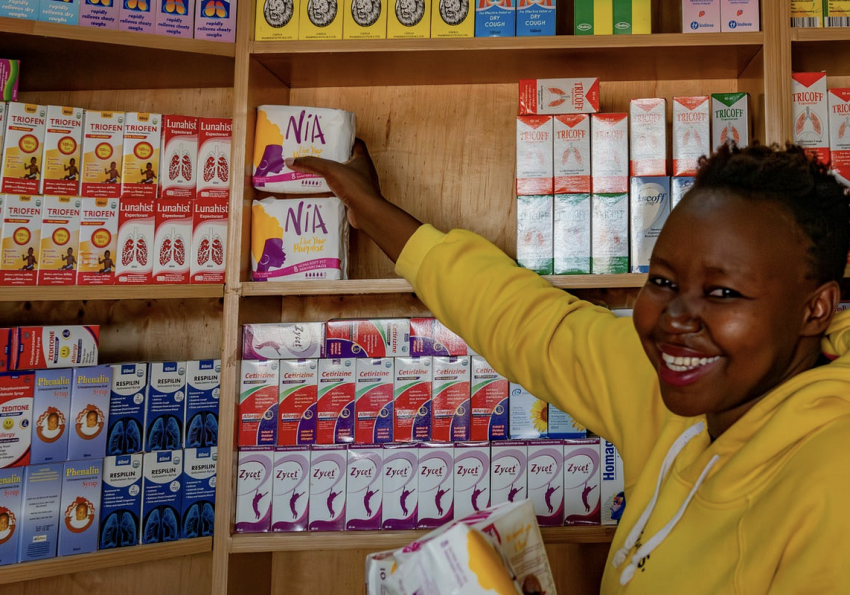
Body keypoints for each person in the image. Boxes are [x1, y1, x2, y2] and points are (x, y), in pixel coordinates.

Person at [288, 140, 850, 593]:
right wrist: (372, 212)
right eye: (663, 281)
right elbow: (529, 322)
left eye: (723, 292)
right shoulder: (683, 388)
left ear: (815, 308)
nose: (676, 317)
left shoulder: (832, 487)